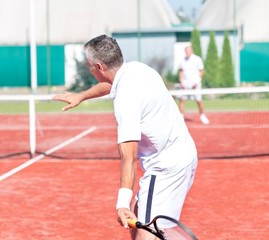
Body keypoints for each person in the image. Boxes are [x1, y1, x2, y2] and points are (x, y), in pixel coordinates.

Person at [53, 35, 198, 240]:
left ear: (99, 67)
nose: (89, 70)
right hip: (183, 155)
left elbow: (128, 158)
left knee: (145, 234)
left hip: (165, 169)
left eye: (89, 66)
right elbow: (110, 83)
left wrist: (121, 203)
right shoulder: (137, 69)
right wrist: (81, 95)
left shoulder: (126, 100)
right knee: (138, 218)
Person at [178, 45, 210, 124]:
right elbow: (181, 71)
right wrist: (182, 82)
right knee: (182, 100)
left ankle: (202, 116)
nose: (187, 52)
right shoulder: (182, 60)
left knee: (198, 101)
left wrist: (197, 82)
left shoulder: (197, 59)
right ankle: (180, 118)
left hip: (195, 84)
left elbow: (201, 71)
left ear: (191, 51)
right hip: (185, 84)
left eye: (189, 51)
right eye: (186, 51)